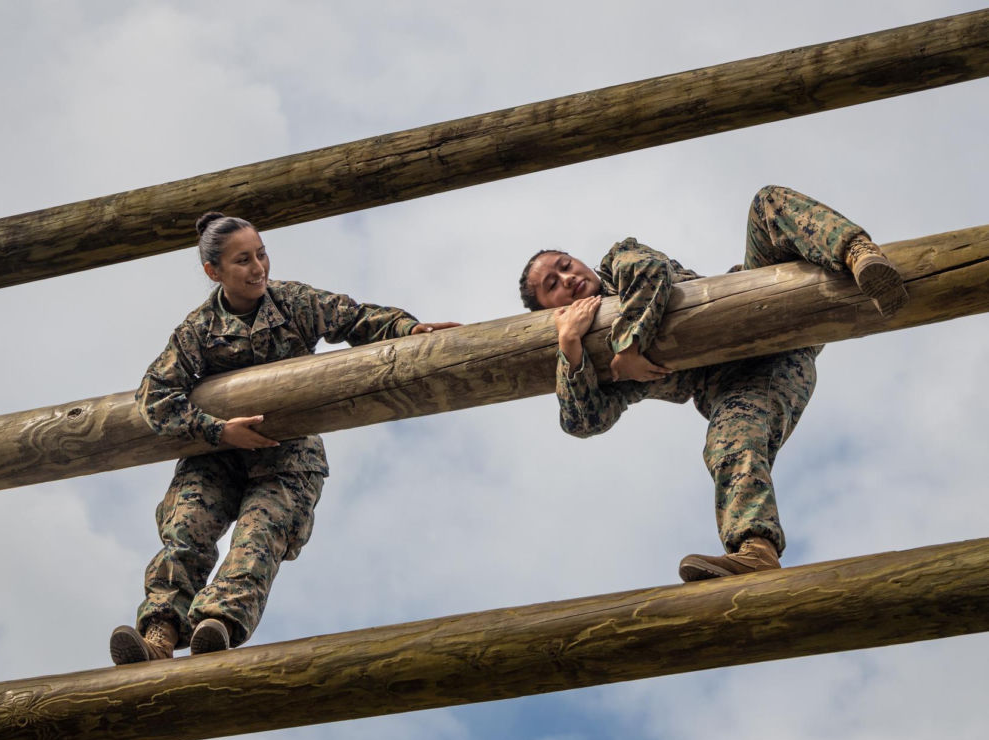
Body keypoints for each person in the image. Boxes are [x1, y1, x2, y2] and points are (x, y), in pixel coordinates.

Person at [109, 212, 458, 664]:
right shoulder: (198, 329)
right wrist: (218, 431)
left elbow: (356, 318)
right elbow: (154, 394)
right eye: (243, 261)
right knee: (185, 530)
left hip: (287, 458)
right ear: (213, 272)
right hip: (217, 454)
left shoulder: (293, 302)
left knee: (259, 536)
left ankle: (217, 627)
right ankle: (159, 635)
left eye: (261, 254)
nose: (258, 268)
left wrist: (408, 328)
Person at [517, 185, 907, 582]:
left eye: (566, 265)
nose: (567, 278)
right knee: (730, 438)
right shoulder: (597, 363)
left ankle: (859, 254)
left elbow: (651, 271)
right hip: (754, 377)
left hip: (762, 299)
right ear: (551, 310)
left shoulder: (619, 258)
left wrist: (629, 343)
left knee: (767, 201)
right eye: (552, 284)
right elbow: (584, 422)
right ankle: (755, 551)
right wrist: (569, 347)